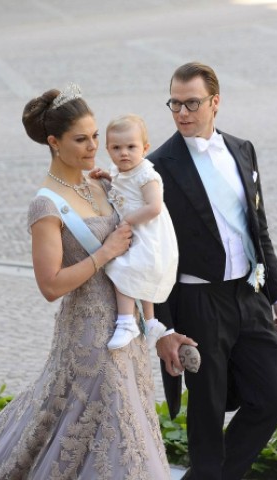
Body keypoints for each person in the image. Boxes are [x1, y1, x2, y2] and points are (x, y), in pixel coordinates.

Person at [0, 84, 172, 479]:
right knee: (111, 434)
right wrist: (104, 252)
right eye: (81, 139)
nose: (94, 146)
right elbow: (51, 286)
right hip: (89, 336)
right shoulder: (45, 205)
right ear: (54, 142)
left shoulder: (103, 183)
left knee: (124, 427)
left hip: (128, 332)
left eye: (95, 136)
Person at [147, 62, 277, 480]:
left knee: (273, 396)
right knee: (205, 417)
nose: (182, 112)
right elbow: (150, 255)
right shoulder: (157, 167)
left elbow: (257, 227)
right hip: (198, 303)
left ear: (215, 102)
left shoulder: (243, 149)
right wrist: (164, 328)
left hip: (248, 295)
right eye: (175, 103)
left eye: (192, 103)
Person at [103, 113, 178, 350]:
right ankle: (152, 320)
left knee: (123, 268)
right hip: (139, 233)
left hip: (150, 235)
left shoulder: (147, 175)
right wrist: (105, 176)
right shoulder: (118, 171)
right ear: (107, 149)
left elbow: (154, 207)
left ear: (144, 148)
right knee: (139, 275)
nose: (124, 153)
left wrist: (128, 220)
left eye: (131, 147)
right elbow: (120, 185)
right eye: (116, 147)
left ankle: (127, 322)